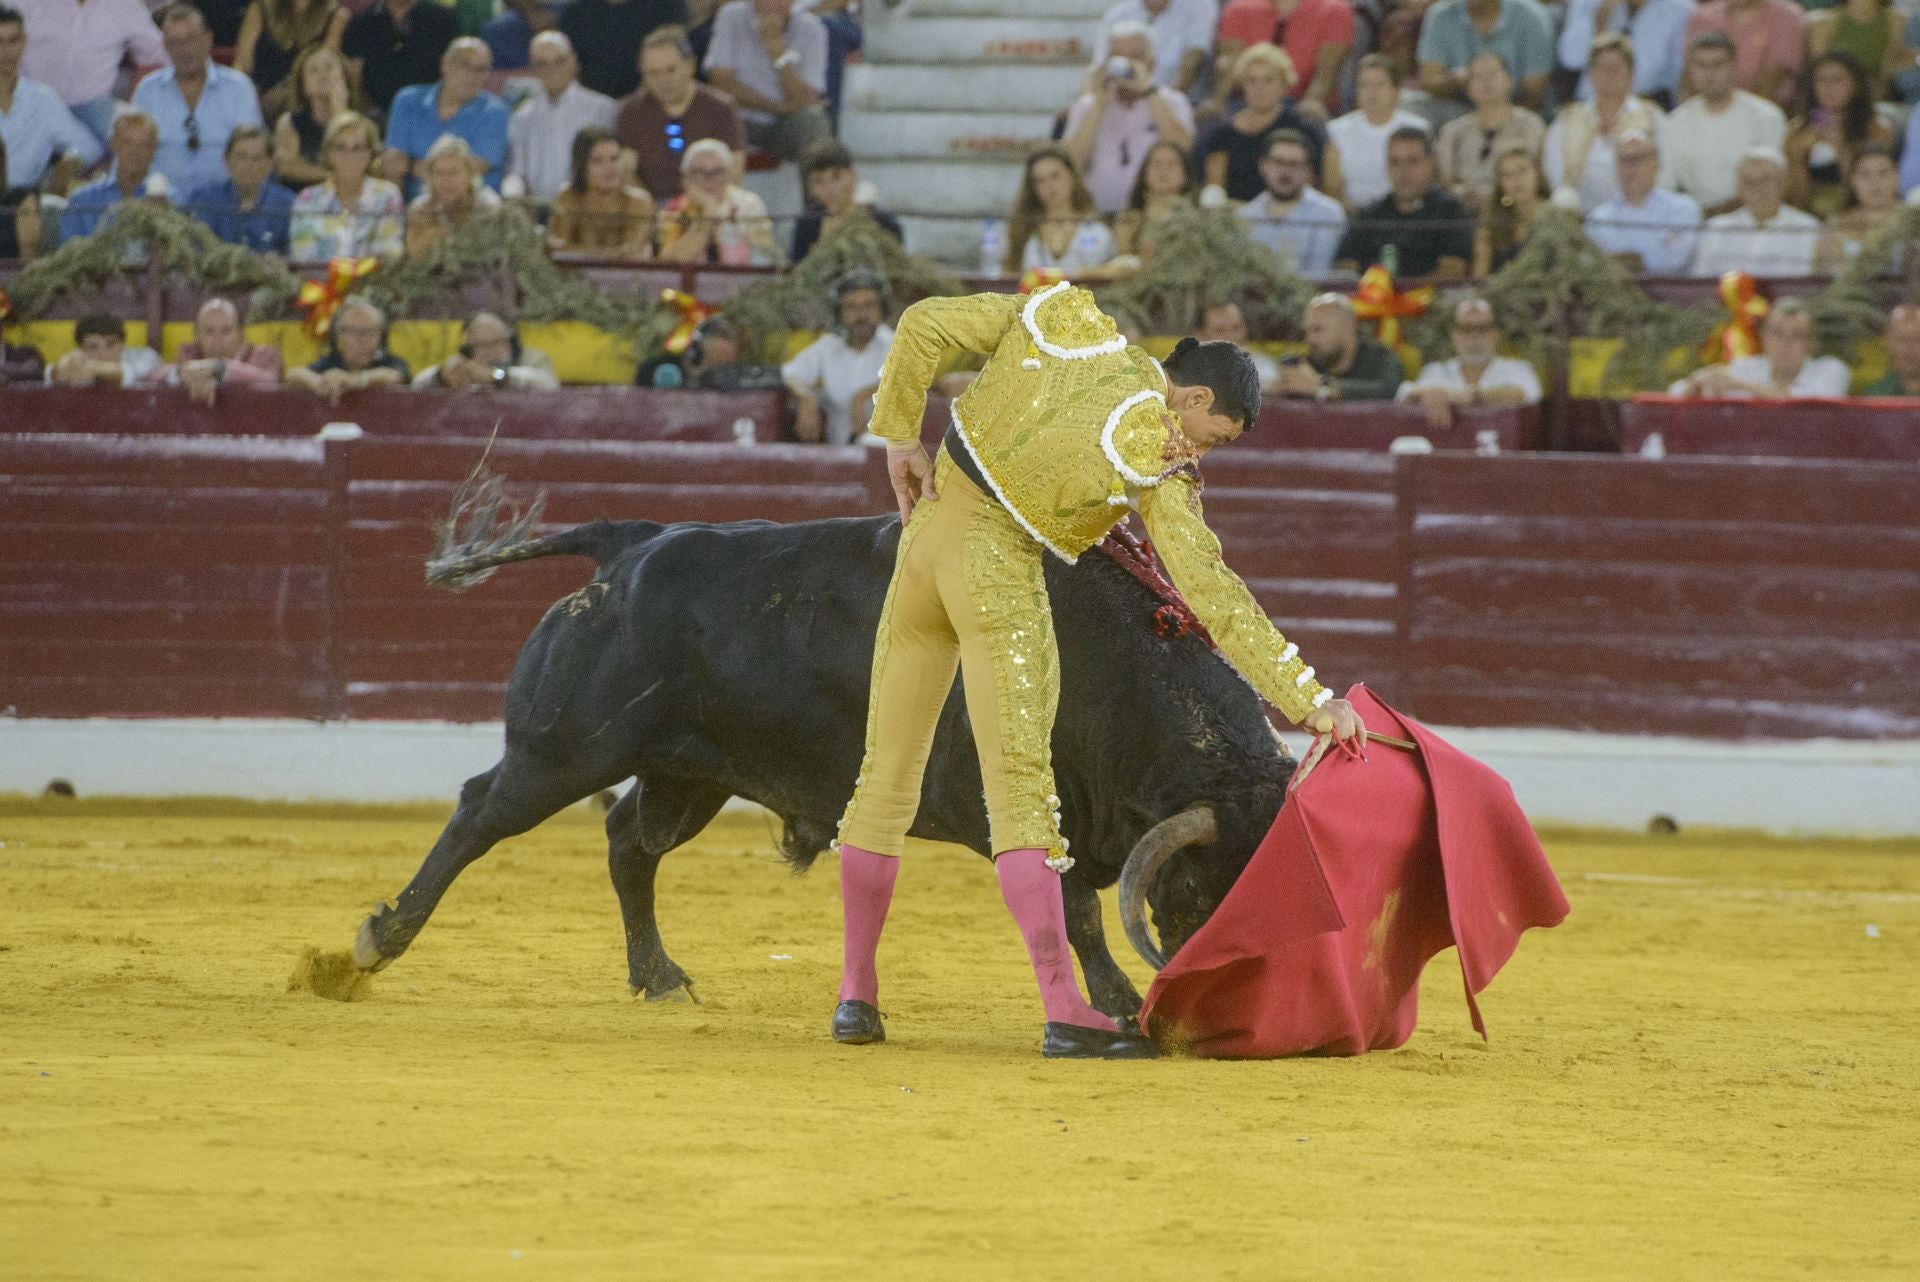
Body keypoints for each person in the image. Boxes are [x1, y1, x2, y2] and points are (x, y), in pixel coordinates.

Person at [832, 283, 1365, 1058]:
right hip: (996, 578)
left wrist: (898, 437)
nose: (1200, 453)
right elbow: (1211, 592)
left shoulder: (1065, 322)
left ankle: (855, 996)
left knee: (883, 780)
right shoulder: (1154, 448)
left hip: (920, 557)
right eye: (1211, 436)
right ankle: (1061, 1007)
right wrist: (1310, 700)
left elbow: (921, 322)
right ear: (1193, 398)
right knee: (1021, 792)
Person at [133, 3, 265, 201]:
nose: (184, 50)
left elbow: (253, 152)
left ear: (208, 39)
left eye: (191, 39)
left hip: (226, 206)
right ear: (166, 46)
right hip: (161, 206)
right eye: (175, 43)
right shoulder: (148, 90)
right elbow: (131, 153)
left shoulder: (238, 88)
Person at [1062, 20, 1193, 217]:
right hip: (1098, 214)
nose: (1125, 65)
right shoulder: (1088, 106)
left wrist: (1148, 91)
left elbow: (1183, 150)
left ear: (1151, 63)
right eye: (1117, 58)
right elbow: (1071, 164)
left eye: (1135, 58)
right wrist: (1098, 104)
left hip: (1156, 215)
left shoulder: (1172, 102)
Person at [1658, 32, 1788, 217]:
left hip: (1753, 218)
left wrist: (1716, 216)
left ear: (1734, 67)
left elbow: (1768, 182)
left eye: (1718, 65)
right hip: (1695, 220)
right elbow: (1666, 188)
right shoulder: (1674, 124)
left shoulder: (1765, 117)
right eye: (1701, 65)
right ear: (1690, 70)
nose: (1709, 74)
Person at [615, 26, 743, 204]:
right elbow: (624, 173)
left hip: (709, 207)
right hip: (649, 209)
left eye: (671, 70)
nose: (663, 81)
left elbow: (734, 173)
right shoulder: (630, 112)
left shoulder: (721, 108)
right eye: (653, 73)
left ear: (690, 65)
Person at [1541, 32, 1665, 213]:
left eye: (1616, 68)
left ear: (1631, 73)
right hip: (1580, 214)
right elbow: (1556, 176)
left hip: (1638, 212)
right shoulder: (1567, 120)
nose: (1609, 74)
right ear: (1590, 73)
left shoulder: (1652, 117)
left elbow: (1665, 174)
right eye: (1601, 68)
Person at [16, 0, 163, 146]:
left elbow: (160, 54)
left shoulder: (125, 5)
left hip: (94, 105)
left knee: (137, 137)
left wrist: (136, 99)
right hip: (33, 104)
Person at [1334, 126, 1473, 279]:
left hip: (1431, 293)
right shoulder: (1369, 215)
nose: (1403, 171)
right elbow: (1345, 267)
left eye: (1412, 161)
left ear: (1431, 163)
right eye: (1395, 162)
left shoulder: (1451, 212)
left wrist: (1405, 293)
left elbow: (1453, 270)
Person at [1195, 42, 1321, 205]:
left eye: (1268, 80)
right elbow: (1214, 187)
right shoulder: (1222, 134)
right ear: (1242, 84)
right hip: (1233, 215)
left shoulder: (1301, 131)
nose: (1259, 88)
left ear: (1284, 84)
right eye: (1252, 80)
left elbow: (1308, 185)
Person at [702, 0, 828, 162]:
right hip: (737, 120)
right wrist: (777, 108)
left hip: (784, 125)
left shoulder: (812, 28)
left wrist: (778, 54)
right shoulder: (731, 15)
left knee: (813, 119)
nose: (775, 4)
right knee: (711, 114)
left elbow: (806, 99)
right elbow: (720, 82)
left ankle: (818, 177)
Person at [382, 37, 508, 197]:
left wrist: (410, 165)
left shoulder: (495, 111)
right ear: (445, 64)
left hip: (471, 204)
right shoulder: (408, 100)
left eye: (481, 70)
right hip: (412, 202)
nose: (472, 76)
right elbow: (394, 163)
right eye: (465, 65)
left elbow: (473, 169)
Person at [0, 5, 104, 192]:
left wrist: (71, 161)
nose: (6, 51)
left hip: (25, 200)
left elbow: (89, 147)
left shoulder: (42, 100)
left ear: (24, 42)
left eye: (13, 41)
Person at [782, 271, 893, 445]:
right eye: (851, 307)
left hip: (893, 454)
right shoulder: (828, 347)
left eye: (869, 306)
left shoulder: (897, 343)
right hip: (841, 453)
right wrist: (805, 397)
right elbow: (789, 374)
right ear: (838, 313)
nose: (861, 315)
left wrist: (863, 395)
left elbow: (918, 378)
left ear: (882, 310)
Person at [1396, 296, 1541, 427]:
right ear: (1453, 335)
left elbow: (1526, 393)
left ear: (1497, 334)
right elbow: (1406, 393)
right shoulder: (1437, 370)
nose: (1474, 337)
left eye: (1482, 329)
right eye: (1466, 329)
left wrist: (1471, 396)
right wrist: (1424, 394)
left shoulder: (1517, 368)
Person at [505, 31, 615, 205]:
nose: (552, 70)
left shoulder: (600, 109)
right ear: (533, 70)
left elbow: (610, 165)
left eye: (559, 61)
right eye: (543, 64)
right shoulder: (522, 117)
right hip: (537, 209)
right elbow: (517, 172)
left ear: (574, 62)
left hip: (588, 207)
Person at [1786, 51, 1896, 221]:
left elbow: (1875, 182)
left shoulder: (1877, 129)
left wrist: (1840, 147)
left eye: (1837, 80)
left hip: (1859, 214)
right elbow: (1791, 196)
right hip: (1807, 215)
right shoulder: (1796, 130)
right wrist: (1799, 157)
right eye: (1821, 80)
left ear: (1856, 85)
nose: (1828, 87)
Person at [1669, 297, 1848, 397]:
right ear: (1764, 339)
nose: (1785, 344)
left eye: (1796, 336)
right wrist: (1698, 382)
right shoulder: (1746, 368)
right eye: (1777, 334)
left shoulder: (1830, 370)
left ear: (1810, 345)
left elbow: (1802, 405)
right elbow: (1675, 394)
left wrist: (1740, 384)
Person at [1434, 53, 1544, 214]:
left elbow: (1532, 173)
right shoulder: (1453, 131)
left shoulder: (1529, 124)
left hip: (1512, 209)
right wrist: (1460, 192)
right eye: (1478, 76)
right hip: (1461, 210)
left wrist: (1494, 194)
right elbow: (1444, 179)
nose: (1486, 81)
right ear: (1467, 88)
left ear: (1509, 81)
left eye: (1493, 74)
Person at [1211, 0, 1354, 122]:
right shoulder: (1238, 9)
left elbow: (1325, 76)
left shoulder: (1334, 10)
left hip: (1305, 106)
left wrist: (1302, 113)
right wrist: (1217, 103)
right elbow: (1228, 70)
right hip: (1247, 104)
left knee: (1311, 116)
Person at [288, 110, 404, 258]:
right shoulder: (308, 199)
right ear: (329, 153)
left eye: (358, 148)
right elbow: (302, 256)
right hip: (319, 274)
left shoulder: (387, 196)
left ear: (370, 153)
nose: (349, 156)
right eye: (341, 147)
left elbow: (389, 254)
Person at [1584, 128, 1701, 274]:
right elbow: (1591, 269)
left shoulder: (1683, 209)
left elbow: (1676, 263)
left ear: (1656, 164)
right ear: (1616, 167)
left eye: (1639, 158)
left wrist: (1631, 264)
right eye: (1625, 159)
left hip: (1667, 288)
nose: (1631, 167)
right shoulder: (1598, 219)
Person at [1691, 148, 1821, 278]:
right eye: (1748, 181)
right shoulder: (1717, 228)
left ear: (1784, 183)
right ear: (1738, 189)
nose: (1757, 188)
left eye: (1766, 180)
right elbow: (1700, 281)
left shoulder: (1807, 228)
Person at [1323, 53, 1428, 209]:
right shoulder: (1337, 131)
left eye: (1379, 85)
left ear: (1396, 90)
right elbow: (1332, 188)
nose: (1371, 92)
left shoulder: (1418, 128)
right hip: (1354, 216)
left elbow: (1426, 183)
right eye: (1364, 85)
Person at [1003, 144, 1125, 276]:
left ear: (1072, 175)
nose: (1049, 186)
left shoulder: (1097, 229)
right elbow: (1009, 273)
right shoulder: (1023, 229)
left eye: (1055, 176)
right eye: (1039, 181)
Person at [1237, 126, 1346, 275]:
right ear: (1263, 165)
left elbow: (1320, 275)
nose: (1286, 171)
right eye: (1278, 162)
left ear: (1307, 170)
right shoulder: (1245, 216)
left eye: (1294, 164)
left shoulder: (1328, 213)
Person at [1417, 0, 1555, 116]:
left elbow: (1534, 92)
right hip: (1461, 111)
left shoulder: (1531, 15)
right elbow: (1430, 81)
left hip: (1520, 111)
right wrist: (1457, 80)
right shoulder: (1441, 14)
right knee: (1413, 105)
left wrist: (1497, 120)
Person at [655, 134, 776, 264]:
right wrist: (709, 210)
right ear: (686, 178)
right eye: (700, 172)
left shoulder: (748, 204)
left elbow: (764, 258)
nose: (709, 179)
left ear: (728, 175)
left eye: (717, 172)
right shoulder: (675, 208)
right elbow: (672, 263)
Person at [148, 296, 282, 404]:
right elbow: (151, 376)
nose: (217, 339)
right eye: (209, 331)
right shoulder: (190, 354)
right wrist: (178, 373)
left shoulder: (264, 355)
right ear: (196, 334)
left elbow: (271, 380)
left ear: (240, 333)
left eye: (226, 331)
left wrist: (218, 369)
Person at [789, 136, 901, 264]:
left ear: (853, 176)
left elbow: (899, 271)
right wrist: (823, 244)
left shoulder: (884, 224)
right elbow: (797, 271)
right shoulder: (806, 226)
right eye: (818, 181)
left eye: (836, 177)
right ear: (809, 189)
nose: (829, 189)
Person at [1557, 0, 1692, 106]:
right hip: (1590, 103)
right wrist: (1599, 23)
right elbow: (1570, 59)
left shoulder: (1679, 9)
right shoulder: (1590, 3)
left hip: (1646, 103)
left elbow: (1679, 75)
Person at [546, 125, 654, 258]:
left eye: (614, 159)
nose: (609, 168)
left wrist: (592, 254)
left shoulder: (639, 202)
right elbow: (557, 247)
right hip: (575, 271)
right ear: (581, 167)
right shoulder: (567, 198)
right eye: (597, 161)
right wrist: (602, 255)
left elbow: (634, 251)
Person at [1277, 290, 1405, 400]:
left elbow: (1390, 391)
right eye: (1306, 332)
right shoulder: (1308, 363)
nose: (1309, 340)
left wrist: (1322, 388)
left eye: (1317, 329)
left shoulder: (1381, 359)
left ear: (1347, 327)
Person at [59, 109, 165, 242]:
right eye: (127, 142)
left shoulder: (170, 200)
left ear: (155, 149)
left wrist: (161, 216)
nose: (135, 151)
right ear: (113, 144)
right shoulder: (81, 200)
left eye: (144, 145)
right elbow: (67, 251)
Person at [341, 0, 459, 118]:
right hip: (377, 116)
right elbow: (355, 82)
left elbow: (454, 71)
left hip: (432, 115)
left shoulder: (442, 19)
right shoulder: (361, 23)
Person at [188, 124, 295, 254]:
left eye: (256, 158)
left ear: (270, 164)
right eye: (241, 157)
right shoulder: (203, 201)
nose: (248, 165)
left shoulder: (288, 204)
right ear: (226, 160)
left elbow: (295, 255)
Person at [1684, 0, 1806, 111]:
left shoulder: (1787, 16)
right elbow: (1689, 76)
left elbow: (1774, 78)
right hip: (1707, 113)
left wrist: (1736, 117)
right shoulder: (1703, 17)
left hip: (1767, 114)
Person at [233, 0, 346, 116]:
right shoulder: (260, 9)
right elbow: (242, 64)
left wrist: (285, 91)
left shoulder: (336, 16)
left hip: (303, 101)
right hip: (256, 100)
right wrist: (248, 98)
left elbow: (325, 66)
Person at [560, 0, 686, 101]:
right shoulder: (574, 15)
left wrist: (632, 104)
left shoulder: (665, 6)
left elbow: (676, 55)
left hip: (653, 101)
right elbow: (567, 68)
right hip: (590, 109)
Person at [286, 297, 409, 401]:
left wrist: (354, 380)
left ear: (381, 338)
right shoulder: (332, 361)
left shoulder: (388, 361)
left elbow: (395, 376)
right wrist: (319, 382)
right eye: (352, 331)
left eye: (370, 331)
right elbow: (294, 374)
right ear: (337, 337)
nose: (361, 338)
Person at [271, 42, 355, 191]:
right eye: (313, 70)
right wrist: (333, 177)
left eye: (329, 67)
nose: (322, 75)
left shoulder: (363, 122)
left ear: (344, 76)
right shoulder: (289, 122)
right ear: (303, 83)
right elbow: (287, 166)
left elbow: (356, 161)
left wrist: (340, 114)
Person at [413, 311, 558, 390]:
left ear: (510, 341)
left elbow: (549, 386)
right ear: (469, 349)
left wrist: (495, 376)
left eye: (496, 342)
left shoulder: (533, 358)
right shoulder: (463, 365)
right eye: (481, 345)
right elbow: (417, 384)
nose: (490, 350)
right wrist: (441, 376)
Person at [405, 132, 499, 255]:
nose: (446, 180)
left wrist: (440, 232)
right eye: (439, 173)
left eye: (454, 172)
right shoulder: (421, 208)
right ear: (430, 178)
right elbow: (414, 253)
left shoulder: (489, 205)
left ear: (470, 175)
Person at [1096, 0, 1214, 96]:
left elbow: (1195, 55)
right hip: (1122, 96)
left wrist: (1170, 99)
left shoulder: (1199, 5)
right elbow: (1101, 65)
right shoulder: (1117, 14)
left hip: (1182, 94)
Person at [1814, 143, 1899, 273]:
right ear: (1853, 180)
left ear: (1896, 176)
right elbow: (1822, 277)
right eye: (1865, 174)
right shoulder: (1836, 225)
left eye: (1883, 173)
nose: (1875, 182)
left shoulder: (1914, 221)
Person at [1810, 0, 1909, 104]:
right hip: (1833, 100)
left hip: (1875, 99)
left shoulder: (1895, 21)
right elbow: (1819, 74)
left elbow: (1885, 76)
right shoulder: (1825, 23)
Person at [1112, 136, 1193, 258]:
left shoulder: (1195, 216)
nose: (1163, 170)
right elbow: (1122, 258)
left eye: (1172, 164)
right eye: (1156, 164)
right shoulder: (1129, 218)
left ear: (1185, 174)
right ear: (1144, 173)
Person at [1472, 145, 1548, 275]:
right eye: (1506, 175)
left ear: (1538, 173)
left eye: (1522, 171)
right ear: (1499, 184)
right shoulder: (1491, 218)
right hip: (1501, 286)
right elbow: (1480, 273)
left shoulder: (1557, 214)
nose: (1516, 180)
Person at [44, 311, 161, 386]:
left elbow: (129, 375)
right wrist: (60, 369)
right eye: (92, 347)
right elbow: (50, 372)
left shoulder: (144, 357)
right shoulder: (77, 358)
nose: (102, 354)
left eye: (110, 344)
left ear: (122, 344)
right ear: (81, 349)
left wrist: (94, 369)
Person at [1197, 299, 1279, 391]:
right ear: (1200, 336)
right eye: (1220, 330)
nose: (1231, 337)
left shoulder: (1262, 366)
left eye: (1236, 328)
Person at [1860, 303, 1920, 397]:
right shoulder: (1877, 392)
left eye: (1917, 340)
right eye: (1902, 340)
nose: (1910, 349)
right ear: (1888, 343)